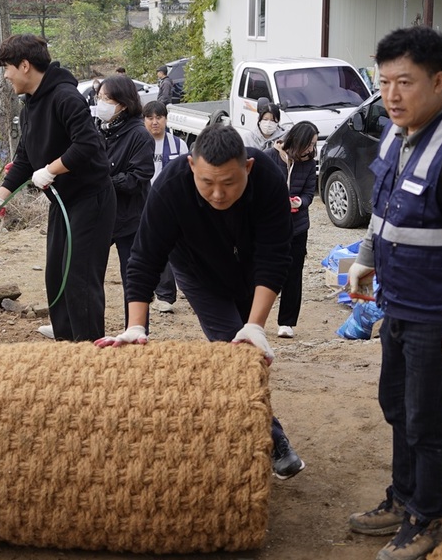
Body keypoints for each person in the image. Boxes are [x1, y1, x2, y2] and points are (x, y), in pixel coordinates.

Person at [345, 26, 442, 560]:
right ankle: (402, 497)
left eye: (404, 82)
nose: (391, 94)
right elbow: (384, 208)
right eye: (384, 82)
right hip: (399, 302)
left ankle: (426, 516)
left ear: (438, 81)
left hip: (439, 313)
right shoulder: (395, 131)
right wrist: (366, 258)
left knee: (426, 420)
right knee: (395, 405)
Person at [94, 123, 306, 481]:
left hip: (252, 269)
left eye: (229, 183)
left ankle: (243, 427)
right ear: (192, 166)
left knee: (247, 349)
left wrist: (255, 325)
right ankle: (274, 440)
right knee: (233, 351)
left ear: (248, 168)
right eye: (207, 183)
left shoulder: (268, 177)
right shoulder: (170, 188)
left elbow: (275, 256)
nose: (219, 194)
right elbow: (144, 260)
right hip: (198, 272)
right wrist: (135, 326)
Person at [0, 34, 116, 342]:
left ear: (25, 65)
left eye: (7, 67)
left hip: (91, 199)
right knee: (56, 275)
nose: (5, 74)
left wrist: (51, 168)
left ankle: (88, 348)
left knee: (79, 279)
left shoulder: (64, 97)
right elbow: (23, 159)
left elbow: (87, 145)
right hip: (63, 202)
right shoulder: (29, 106)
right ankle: (66, 338)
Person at [97, 76, 154, 330]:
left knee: (133, 278)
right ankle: (83, 326)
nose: (101, 104)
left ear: (123, 103)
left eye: (106, 99)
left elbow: (137, 178)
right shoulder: (99, 130)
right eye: (99, 98)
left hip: (131, 218)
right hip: (100, 215)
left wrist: (103, 179)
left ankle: (136, 331)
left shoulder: (139, 135)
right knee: (87, 272)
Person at [265, 121, 318, 338]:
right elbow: (259, 186)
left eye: (314, 145)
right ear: (297, 140)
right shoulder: (270, 156)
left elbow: (309, 192)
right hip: (271, 225)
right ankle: (251, 318)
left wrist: (300, 202)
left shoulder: (309, 163)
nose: (311, 149)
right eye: (309, 144)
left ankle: (287, 322)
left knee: (294, 273)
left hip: (298, 227)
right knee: (265, 271)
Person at [142, 100, 188, 313]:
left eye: (158, 117)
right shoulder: (138, 143)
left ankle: (167, 295)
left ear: (165, 119)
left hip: (170, 204)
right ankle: (149, 290)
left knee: (170, 247)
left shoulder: (179, 145)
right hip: (143, 201)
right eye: (150, 118)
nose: (154, 122)